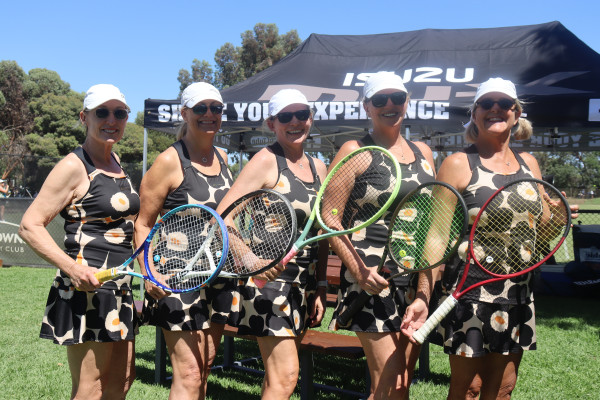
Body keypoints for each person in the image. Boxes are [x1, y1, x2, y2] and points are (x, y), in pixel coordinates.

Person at [402, 77, 578, 399]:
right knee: (469, 389)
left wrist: (559, 218)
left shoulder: (530, 164)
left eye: (504, 104)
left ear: (516, 113)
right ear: (474, 113)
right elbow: (436, 237)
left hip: (519, 293)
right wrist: (422, 297)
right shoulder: (458, 164)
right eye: (486, 104)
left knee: (504, 390)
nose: (495, 109)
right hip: (472, 293)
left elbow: (542, 236)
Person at [19, 84, 139, 399]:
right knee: (92, 387)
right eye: (102, 112)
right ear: (84, 117)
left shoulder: (115, 161)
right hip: (88, 289)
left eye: (119, 113)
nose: (112, 119)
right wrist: (73, 269)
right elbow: (30, 225)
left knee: (122, 380)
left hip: (119, 286)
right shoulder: (74, 166)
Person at [327, 71, 436, 399]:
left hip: (412, 277)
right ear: (367, 107)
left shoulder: (424, 153)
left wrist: (424, 293)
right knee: (392, 383)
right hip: (370, 277)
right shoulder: (355, 150)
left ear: (407, 102)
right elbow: (329, 219)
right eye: (380, 100)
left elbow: (432, 226)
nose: (390, 105)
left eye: (397, 98)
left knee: (398, 383)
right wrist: (359, 271)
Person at [215, 88, 329, 400]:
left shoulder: (319, 167)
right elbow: (221, 218)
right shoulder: (265, 161)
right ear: (271, 124)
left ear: (310, 118)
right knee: (286, 377)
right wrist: (250, 260)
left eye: (301, 115)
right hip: (268, 284)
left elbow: (320, 230)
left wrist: (320, 284)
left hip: (303, 285)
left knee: (275, 378)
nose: (295, 122)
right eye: (285, 116)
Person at [135, 82, 235, 399]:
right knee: (189, 374)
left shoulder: (224, 157)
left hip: (218, 274)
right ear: (185, 113)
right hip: (177, 276)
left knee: (204, 368)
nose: (209, 114)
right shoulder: (170, 160)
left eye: (215, 108)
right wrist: (148, 273)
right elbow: (142, 224)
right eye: (200, 108)